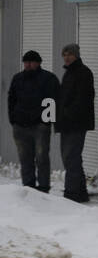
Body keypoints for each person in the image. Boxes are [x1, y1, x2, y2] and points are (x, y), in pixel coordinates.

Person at [7, 50, 61, 193]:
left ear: (38, 63)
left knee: (41, 157)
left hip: (40, 126)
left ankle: (43, 188)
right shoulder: (17, 78)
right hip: (20, 126)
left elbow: (53, 100)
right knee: (25, 158)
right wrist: (13, 119)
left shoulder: (48, 79)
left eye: (31, 62)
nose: (28, 65)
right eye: (26, 62)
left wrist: (47, 122)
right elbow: (11, 99)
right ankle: (28, 187)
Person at [56, 42, 95, 203]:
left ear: (76, 55)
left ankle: (71, 194)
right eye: (64, 55)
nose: (66, 57)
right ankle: (80, 192)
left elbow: (83, 99)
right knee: (72, 157)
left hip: (77, 123)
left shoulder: (83, 73)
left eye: (69, 54)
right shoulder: (69, 73)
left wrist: (67, 114)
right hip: (66, 123)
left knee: (70, 157)